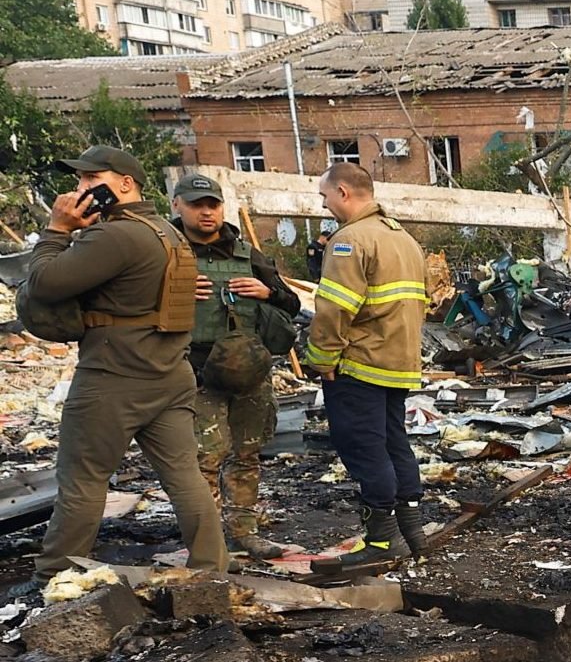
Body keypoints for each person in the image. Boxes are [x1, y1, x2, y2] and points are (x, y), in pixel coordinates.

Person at [20, 147, 226, 581]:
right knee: (185, 478)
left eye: (89, 181)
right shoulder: (163, 232)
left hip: (113, 376)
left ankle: (55, 576)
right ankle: (211, 570)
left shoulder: (115, 236)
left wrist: (56, 230)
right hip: (169, 374)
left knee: (83, 481)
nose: (78, 191)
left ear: (125, 184)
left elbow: (43, 283)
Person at [304, 164, 429, 579]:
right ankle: (412, 529)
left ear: (343, 192)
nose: (324, 205)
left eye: (325, 197)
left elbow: (335, 307)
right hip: (399, 361)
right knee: (395, 441)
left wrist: (321, 359)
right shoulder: (404, 238)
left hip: (360, 362)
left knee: (362, 444)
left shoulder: (350, 240)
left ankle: (379, 539)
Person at [171, 173, 298, 561]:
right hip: (194, 370)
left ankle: (244, 531)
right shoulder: (162, 250)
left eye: (213, 204)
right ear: (177, 206)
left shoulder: (246, 254)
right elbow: (124, 303)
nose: (206, 212)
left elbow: (291, 304)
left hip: (247, 370)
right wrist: (168, 292)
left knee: (247, 453)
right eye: (196, 204)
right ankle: (207, 541)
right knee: (204, 458)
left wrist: (268, 291)